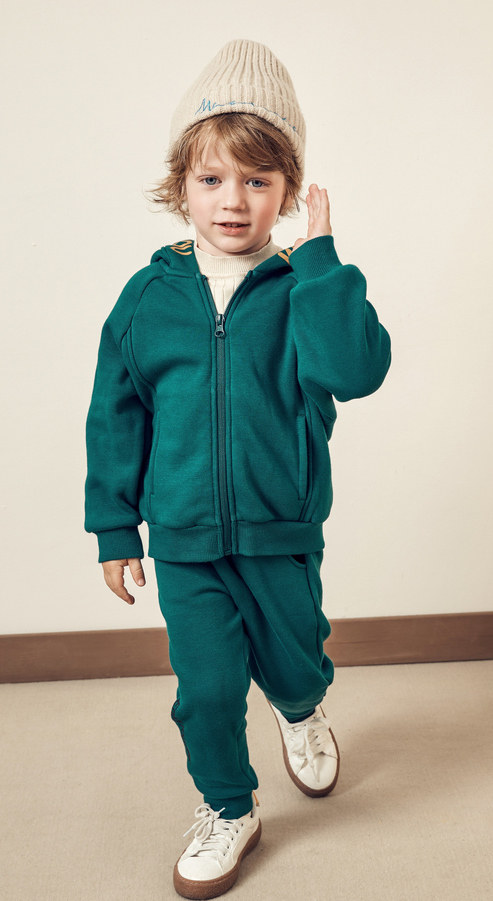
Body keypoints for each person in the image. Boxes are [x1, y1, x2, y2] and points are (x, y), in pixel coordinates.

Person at [84, 38, 391, 900]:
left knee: (294, 663)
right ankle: (229, 805)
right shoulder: (148, 297)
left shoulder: (302, 288)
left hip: (279, 530)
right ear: (180, 184)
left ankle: (300, 709)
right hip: (183, 538)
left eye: (258, 180)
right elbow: (115, 414)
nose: (232, 200)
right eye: (212, 178)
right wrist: (114, 524)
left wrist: (323, 262)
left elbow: (354, 370)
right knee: (207, 690)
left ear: (287, 190)